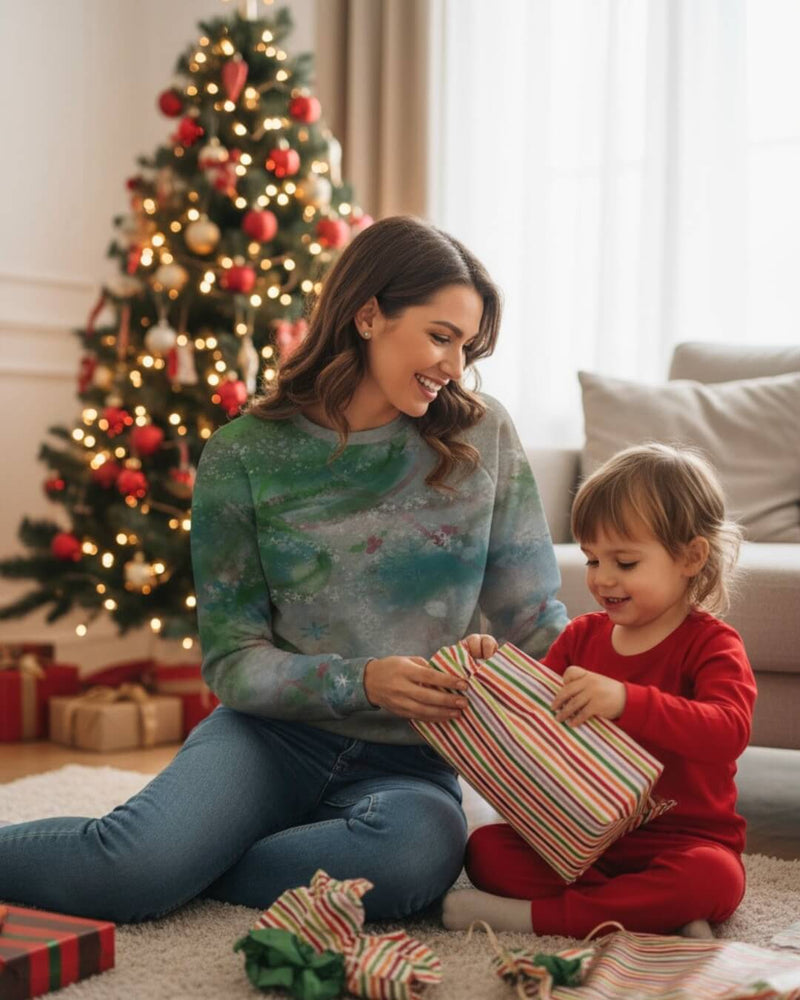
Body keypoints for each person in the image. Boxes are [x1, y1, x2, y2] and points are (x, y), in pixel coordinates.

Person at [0, 216, 567, 924]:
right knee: (130, 871)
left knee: (409, 865)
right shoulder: (244, 455)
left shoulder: (482, 436)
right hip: (269, 735)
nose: (456, 366)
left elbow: (535, 620)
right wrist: (360, 680)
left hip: (409, 762)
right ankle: (167, 860)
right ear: (367, 315)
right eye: (441, 336)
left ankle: (191, 861)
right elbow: (233, 660)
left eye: (468, 346)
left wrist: (621, 703)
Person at [443, 443, 756, 939]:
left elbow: (729, 731)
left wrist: (626, 701)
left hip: (683, 843)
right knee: (487, 851)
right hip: (581, 842)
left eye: (625, 563)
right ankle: (650, 912)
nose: (602, 578)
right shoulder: (581, 637)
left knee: (714, 878)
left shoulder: (713, 643)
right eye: (591, 559)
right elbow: (533, 721)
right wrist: (491, 671)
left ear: (691, 557)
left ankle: (540, 918)